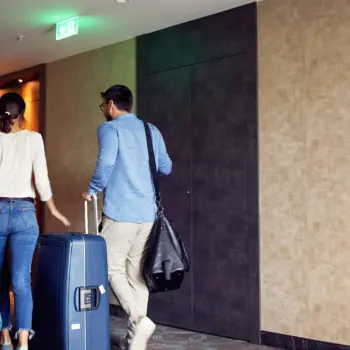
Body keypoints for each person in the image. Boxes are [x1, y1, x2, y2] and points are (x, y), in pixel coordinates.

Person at [82, 85, 172, 350]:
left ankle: (138, 319)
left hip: (121, 212)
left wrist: (92, 190)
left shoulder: (109, 129)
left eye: (104, 107)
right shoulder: (150, 130)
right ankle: (135, 341)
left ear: (110, 105)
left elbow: (106, 163)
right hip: (147, 214)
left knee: (111, 268)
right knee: (136, 276)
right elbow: (165, 166)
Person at [0, 92, 70, 350]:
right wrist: (52, 209)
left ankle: (4, 336)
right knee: (20, 280)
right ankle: (22, 341)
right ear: (23, 113)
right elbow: (41, 179)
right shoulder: (34, 138)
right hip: (25, 214)